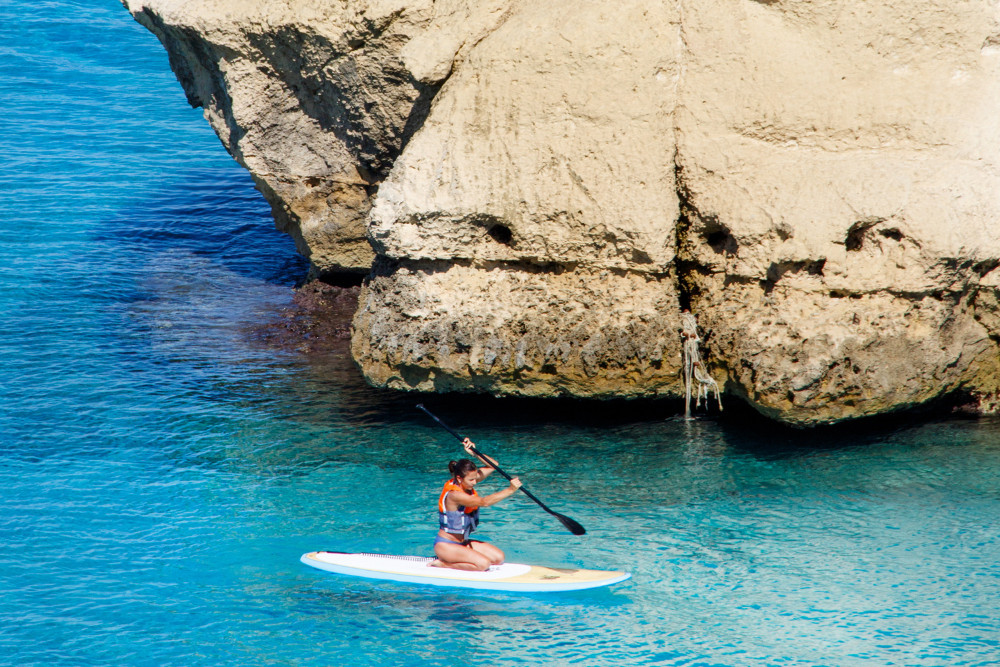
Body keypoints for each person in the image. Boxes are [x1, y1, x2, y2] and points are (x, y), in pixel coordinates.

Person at [431, 437, 522, 571]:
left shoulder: (466, 482)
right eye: (472, 480)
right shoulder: (454, 495)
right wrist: (510, 490)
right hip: (446, 545)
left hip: (463, 543)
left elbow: (493, 465)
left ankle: (462, 555)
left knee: (499, 558)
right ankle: (444, 564)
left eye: (476, 478)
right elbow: (483, 502)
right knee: (483, 564)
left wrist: (475, 453)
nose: (475, 482)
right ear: (459, 478)